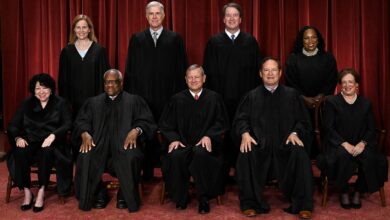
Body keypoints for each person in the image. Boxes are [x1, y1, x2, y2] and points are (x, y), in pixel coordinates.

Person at [233, 57, 314, 219]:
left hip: (285, 144)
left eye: (274, 70)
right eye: (266, 70)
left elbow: (303, 121)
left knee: (300, 153)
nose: (270, 74)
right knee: (246, 153)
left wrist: (295, 132)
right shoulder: (251, 96)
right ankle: (250, 203)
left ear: (280, 73)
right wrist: (245, 133)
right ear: (260, 74)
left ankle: (303, 204)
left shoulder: (292, 95)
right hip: (259, 145)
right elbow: (240, 120)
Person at [73, 69, 156, 212]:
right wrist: (84, 133)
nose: (109, 85)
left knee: (132, 156)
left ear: (121, 83)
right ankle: (98, 193)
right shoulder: (93, 103)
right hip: (99, 146)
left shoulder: (134, 101)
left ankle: (125, 194)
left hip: (124, 145)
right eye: (107, 82)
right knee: (85, 156)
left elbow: (147, 121)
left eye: (113, 82)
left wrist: (136, 130)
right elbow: (81, 121)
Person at [124, 1, 188, 180]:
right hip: (143, 96)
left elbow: (181, 69)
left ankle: (169, 173)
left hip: (168, 96)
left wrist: (179, 97)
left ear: (163, 16)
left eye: (157, 13)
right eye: (150, 14)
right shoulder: (137, 39)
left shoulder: (175, 39)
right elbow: (130, 69)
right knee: (144, 132)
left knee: (167, 132)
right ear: (146, 16)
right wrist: (131, 97)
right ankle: (146, 172)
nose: (154, 17)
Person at [159, 64, 229, 214]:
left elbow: (221, 123)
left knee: (201, 153)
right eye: (190, 77)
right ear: (185, 79)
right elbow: (165, 125)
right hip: (182, 143)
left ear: (204, 78)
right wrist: (174, 139)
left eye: (197, 77)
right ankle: (180, 198)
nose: (193, 80)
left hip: (205, 144)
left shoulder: (214, 98)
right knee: (176, 155)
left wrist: (209, 136)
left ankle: (203, 198)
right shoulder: (176, 99)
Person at [317, 68, 388, 209]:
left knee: (372, 158)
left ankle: (358, 190)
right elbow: (328, 128)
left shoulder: (366, 103)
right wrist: (344, 144)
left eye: (350, 82)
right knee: (342, 156)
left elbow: (370, 128)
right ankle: (343, 190)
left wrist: (362, 143)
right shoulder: (332, 102)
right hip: (338, 144)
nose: (347, 85)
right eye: (343, 82)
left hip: (360, 143)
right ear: (339, 85)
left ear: (357, 85)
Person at [203, 2, 261, 168]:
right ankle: (222, 169)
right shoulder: (214, 43)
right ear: (223, 19)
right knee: (222, 131)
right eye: (228, 15)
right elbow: (208, 73)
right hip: (221, 97)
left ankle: (242, 168)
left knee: (243, 129)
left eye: (235, 15)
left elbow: (258, 73)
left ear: (241, 19)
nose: (231, 18)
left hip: (245, 98)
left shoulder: (250, 42)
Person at [7, 73, 72, 212]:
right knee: (19, 151)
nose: (41, 92)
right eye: (37, 89)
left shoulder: (61, 103)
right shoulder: (27, 103)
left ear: (51, 89)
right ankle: (27, 192)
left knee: (47, 151)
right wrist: (18, 138)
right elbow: (13, 125)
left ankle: (41, 191)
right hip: (31, 140)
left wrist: (54, 135)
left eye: (44, 88)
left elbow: (68, 124)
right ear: (33, 90)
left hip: (52, 142)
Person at [285, 26, 338, 157]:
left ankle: (324, 156)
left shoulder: (328, 58)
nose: (310, 41)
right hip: (300, 103)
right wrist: (303, 98)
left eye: (313, 37)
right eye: (306, 38)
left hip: (323, 104)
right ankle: (304, 157)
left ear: (318, 39)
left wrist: (321, 97)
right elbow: (290, 82)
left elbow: (331, 80)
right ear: (301, 41)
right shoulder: (293, 59)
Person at [58, 14, 110, 117]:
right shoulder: (67, 51)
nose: (81, 30)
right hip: (74, 102)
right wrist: (66, 103)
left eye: (84, 27)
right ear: (74, 30)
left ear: (90, 29)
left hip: (95, 101)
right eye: (78, 27)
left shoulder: (99, 51)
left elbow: (105, 78)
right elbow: (63, 80)